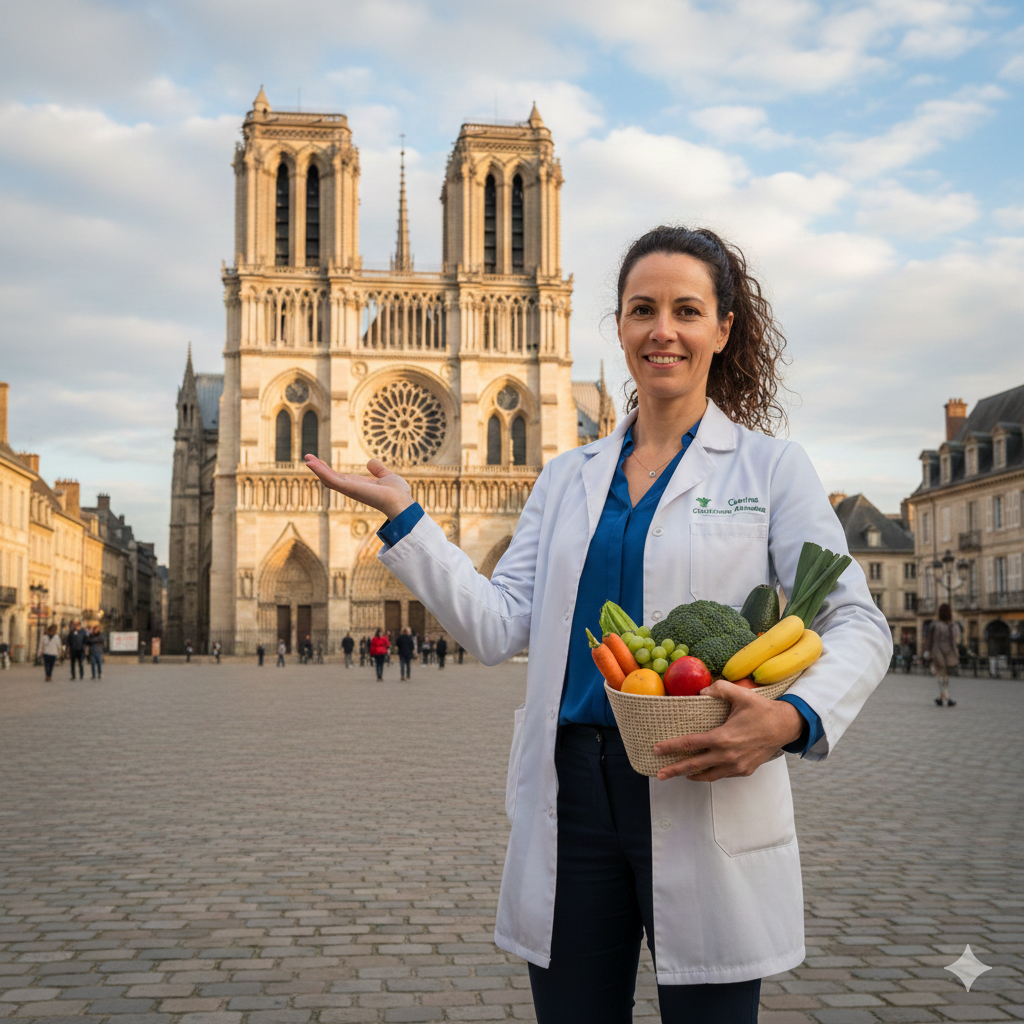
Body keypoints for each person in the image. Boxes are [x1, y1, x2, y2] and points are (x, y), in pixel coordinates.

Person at [305, 224, 892, 1024]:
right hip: (573, 796)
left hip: (703, 778)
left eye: (687, 310)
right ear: (618, 327)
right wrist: (407, 520)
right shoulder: (564, 476)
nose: (663, 329)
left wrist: (792, 719)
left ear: (722, 330)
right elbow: (497, 625)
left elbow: (856, 620)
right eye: (642, 309)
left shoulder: (770, 469)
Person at [924, 604, 960, 706]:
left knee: (940, 675)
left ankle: (943, 697)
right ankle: (945, 697)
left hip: (937, 651)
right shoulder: (952, 625)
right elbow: (954, 641)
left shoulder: (935, 625)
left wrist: (927, 651)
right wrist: (956, 653)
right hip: (948, 652)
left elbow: (929, 640)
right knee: (945, 676)